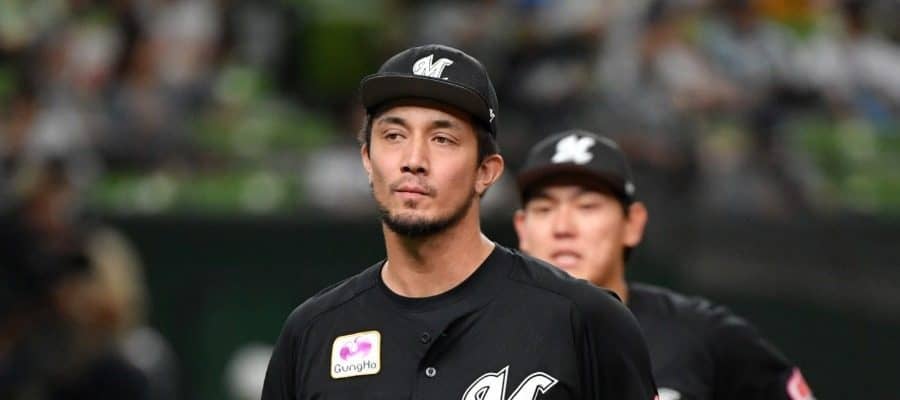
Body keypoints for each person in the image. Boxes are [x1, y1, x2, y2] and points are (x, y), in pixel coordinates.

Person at [261, 44, 658, 400]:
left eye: (442, 139)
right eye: (394, 135)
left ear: (486, 171)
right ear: (367, 158)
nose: (413, 160)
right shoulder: (312, 332)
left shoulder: (583, 319)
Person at [513, 129, 816, 400]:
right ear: (522, 228)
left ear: (633, 224)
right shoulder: (486, 332)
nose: (563, 227)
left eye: (587, 206)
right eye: (544, 208)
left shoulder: (700, 336)